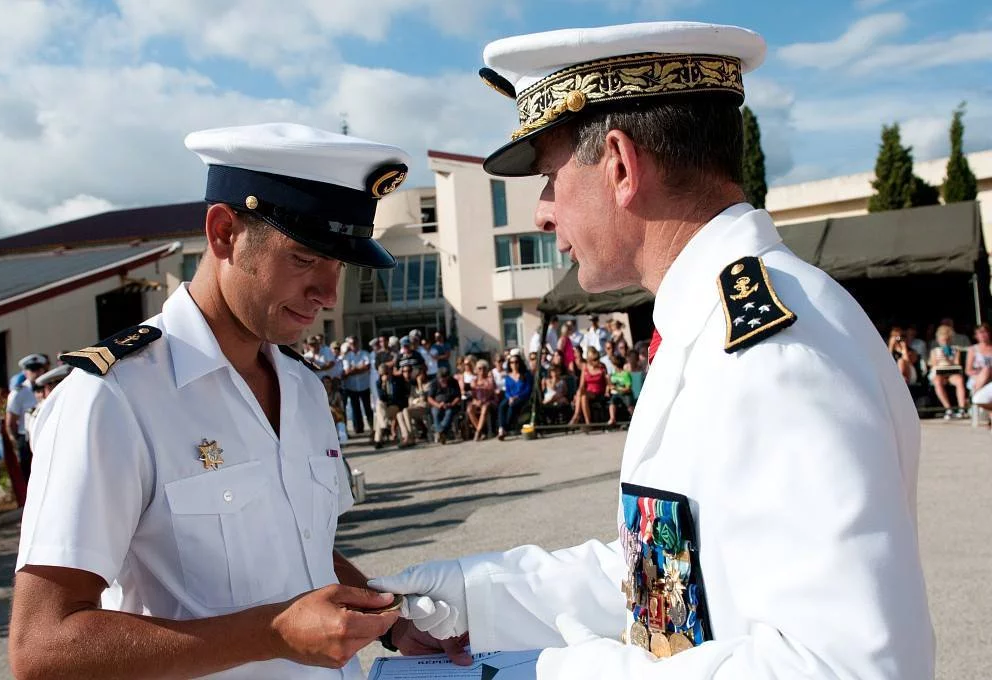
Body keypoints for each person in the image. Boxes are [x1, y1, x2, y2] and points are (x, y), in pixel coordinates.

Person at [371, 21, 933, 679]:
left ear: (619, 164)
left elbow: (845, 668)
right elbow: (667, 577)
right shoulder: (715, 327)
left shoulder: (771, 353)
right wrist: (447, 599)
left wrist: (552, 674)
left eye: (550, 176)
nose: (542, 213)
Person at [8, 124, 430, 678]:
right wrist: (270, 634)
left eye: (339, 266)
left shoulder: (301, 386)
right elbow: (41, 646)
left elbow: (292, 545)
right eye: (304, 258)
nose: (328, 293)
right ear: (225, 232)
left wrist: (392, 622)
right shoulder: (111, 398)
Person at [4, 353, 48, 483]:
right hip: (26, 438)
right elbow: (10, 422)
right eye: (32, 369)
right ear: (25, 372)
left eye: (39, 369)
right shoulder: (19, 393)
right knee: (30, 478)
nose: (37, 373)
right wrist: (16, 443)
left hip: (45, 435)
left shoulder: (50, 387)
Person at [929, 323, 967, 419]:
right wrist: (939, 359)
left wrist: (949, 359)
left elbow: (957, 364)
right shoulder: (934, 351)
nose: (944, 342)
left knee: (959, 380)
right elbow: (932, 365)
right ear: (938, 340)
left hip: (952, 372)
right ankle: (948, 409)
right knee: (937, 382)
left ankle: (961, 408)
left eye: (946, 340)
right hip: (940, 373)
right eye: (942, 340)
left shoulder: (955, 350)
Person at [569, 346, 609, 427]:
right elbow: (581, 385)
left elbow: (607, 382)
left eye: (597, 358)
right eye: (593, 359)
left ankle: (576, 416)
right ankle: (587, 422)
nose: (596, 361)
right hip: (588, 392)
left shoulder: (602, 367)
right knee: (582, 396)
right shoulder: (585, 367)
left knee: (582, 394)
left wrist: (607, 391)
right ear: (589, 360)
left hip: (599, 392)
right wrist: (577, 395)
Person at [341, 335, 373, 435]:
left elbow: (367, 367)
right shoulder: (347, 356)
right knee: (355, 408)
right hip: (352, 386)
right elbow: (346, 372)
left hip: (364, 385)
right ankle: (359, 428)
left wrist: (353, 369)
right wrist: (359, 368)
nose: (353, 345)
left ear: (358, 343)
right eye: (351, 343)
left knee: (367, 407)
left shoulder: (365, 353)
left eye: (354, 342)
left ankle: (372, 427)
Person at [496, 352, 532, 440]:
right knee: (502, 406)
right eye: (512, 362)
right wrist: (510, 397)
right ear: (509, 364)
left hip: (522, 397)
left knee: (512, 406)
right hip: (510, 397)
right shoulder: (508, 377)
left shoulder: (526, 375)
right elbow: (507, 391)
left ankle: (506, 427)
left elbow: (527, 390)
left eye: (516, 362)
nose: (514, 364)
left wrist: (516, 397)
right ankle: (501, 429)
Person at [374, 364, 409, 448]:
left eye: (386, 373)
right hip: (385, 406)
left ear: (390, 371)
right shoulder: (379, 382)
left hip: (396, 405)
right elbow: (381, 397)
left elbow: (399, 396)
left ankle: (378, 440)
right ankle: (384, 427)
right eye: (382, 374)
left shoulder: (398, 380)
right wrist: (383, 384)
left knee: (379, 416)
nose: (385, 375)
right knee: (379, 404)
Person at [395, 366, 429, 448]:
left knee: (406, 410)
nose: (421, 376)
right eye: (419, 375)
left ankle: (411, 437)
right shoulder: (413, 388)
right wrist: (417, 401)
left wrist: (420, 384)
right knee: (399, 414)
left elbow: (424, 400)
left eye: (422, 374)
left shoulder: (428, 385)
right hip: (415, 408)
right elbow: (410, 401)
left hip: (425, 408)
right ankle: (406, 436)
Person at [427, 367, 461, 445]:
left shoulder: (454, 382)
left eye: (444, 379)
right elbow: (429, 398)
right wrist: (438, 405)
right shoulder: (434, 383)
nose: (442, 381)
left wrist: (451, 404)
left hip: (450, 404)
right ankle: (442, 432)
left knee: (449, 413)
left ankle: (440, 431)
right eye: (441, 379)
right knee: (435, 412)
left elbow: (458, 396)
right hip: (437, 404)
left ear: (448, 377)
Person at [466, 359, 498, 441]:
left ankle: (478, 432)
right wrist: (476, 401)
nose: (482, 370)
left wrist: (482, 401)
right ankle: (481, 432)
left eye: (484, 368)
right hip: (477, 401)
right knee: (469, 409)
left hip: (489, 401)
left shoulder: (489, 380)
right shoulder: (474, 381)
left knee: (485, 407)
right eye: (479, 368)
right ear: (476, 370)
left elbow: (490, 393)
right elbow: (473, 395)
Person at [965, 323, 992, 396]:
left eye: (985, 332)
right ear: (976, 336)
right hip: (977, 376)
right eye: (980, 333)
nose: (983, 335)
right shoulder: (973, 349)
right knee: (986, 370)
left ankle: (974, 397)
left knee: (987, 369)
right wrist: (981, 372)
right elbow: (968, 370)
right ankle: (976, 396)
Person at [607, 353, 633, 425]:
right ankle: (612, 418)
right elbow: (611, 384)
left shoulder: (625, 374)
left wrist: (618, 388)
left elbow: (628, 388)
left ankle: (634, 416)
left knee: (629, 404)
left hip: (625, 393)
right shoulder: (614, 374)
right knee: (612, 401)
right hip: (616, 394)